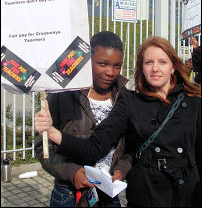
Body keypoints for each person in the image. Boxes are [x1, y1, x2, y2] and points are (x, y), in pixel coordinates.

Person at [35, 36, 201, 207]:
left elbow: (131, 149)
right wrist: (52, 133)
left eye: (163, 62)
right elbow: (94, 147)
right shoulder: (130, 102)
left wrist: (121, 169)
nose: (155, 69)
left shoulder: (193, 100)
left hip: (184, 193)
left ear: (173, 66)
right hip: (137, 194)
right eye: (149, 62)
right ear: (141, 68)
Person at [34, 31, 131, 207]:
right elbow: (43, 147)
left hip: (108, 195)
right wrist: (72, 172)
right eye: (102, 64)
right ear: (88, 61)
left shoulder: (125, 98)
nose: (110, 72)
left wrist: (121, 169)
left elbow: (132, 146)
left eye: (117, 65)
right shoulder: (63, 95)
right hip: (68, 195)